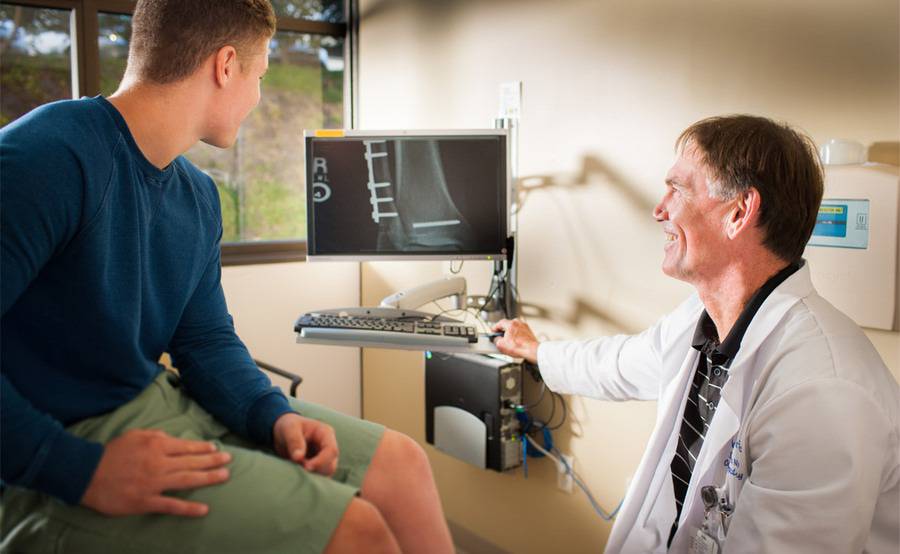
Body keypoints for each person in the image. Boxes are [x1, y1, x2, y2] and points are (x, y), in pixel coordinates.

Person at [0, 1, 454, 552]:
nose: (259, 97)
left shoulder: (196, 195)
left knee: (400, 464)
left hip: (156, 401)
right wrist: (77, 469)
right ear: (226, 64)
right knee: (359, 535)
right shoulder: (48, 155)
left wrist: (272, 415)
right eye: (260, 75)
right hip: (55, 446)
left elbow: (204, 341)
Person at [492, 115, 899, 553]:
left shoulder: (821, 392)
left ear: (739, 212)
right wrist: (535, 350)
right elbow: (620, 364)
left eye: (678, 189)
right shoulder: (703, 320)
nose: (659, 209)